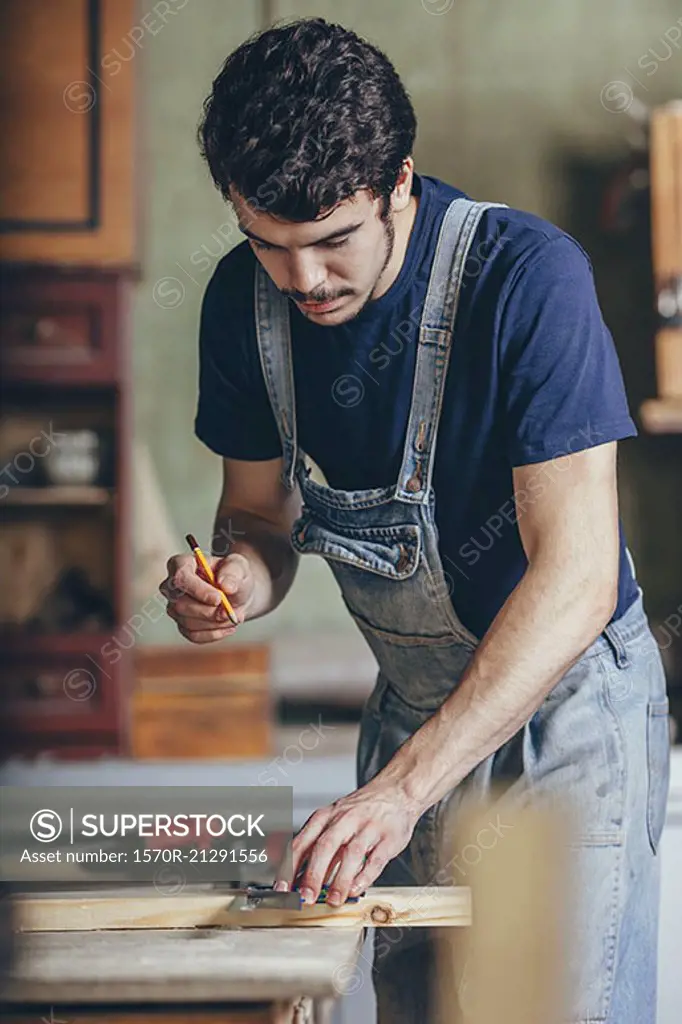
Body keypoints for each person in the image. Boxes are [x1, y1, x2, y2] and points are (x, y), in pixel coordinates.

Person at [159, 17, 671, 1023]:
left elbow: (573, 579)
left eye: (332, 242)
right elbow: (257, 519)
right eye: (269, 245)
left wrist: (398, 792)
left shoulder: (527, 279)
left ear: (399, 180)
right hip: (411, 710)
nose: (302, 282)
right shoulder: (241, 305)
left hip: (562, 713)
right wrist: (229, 585)